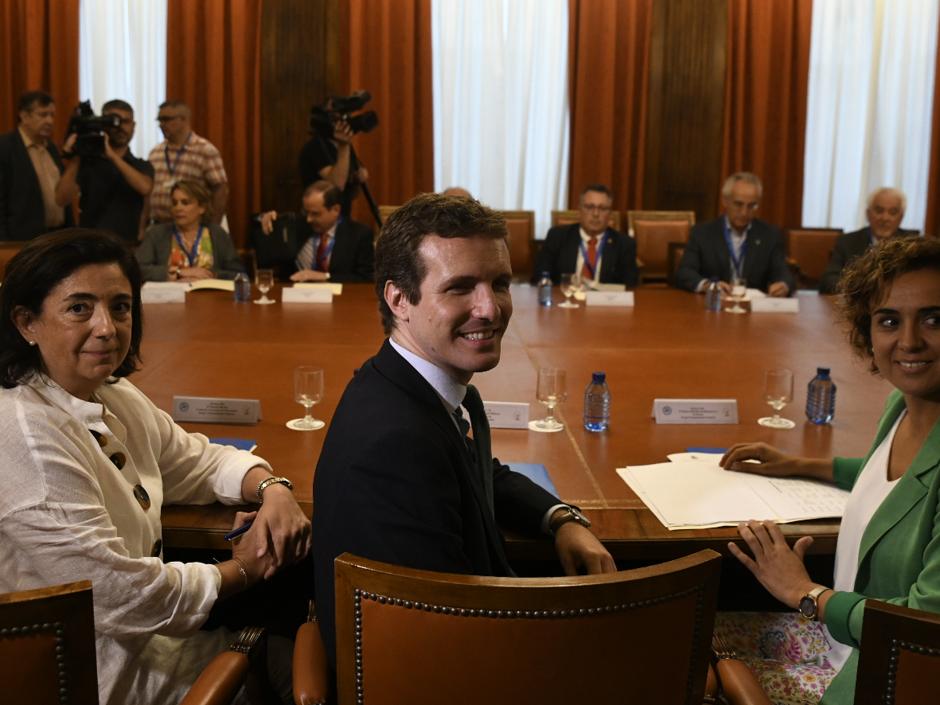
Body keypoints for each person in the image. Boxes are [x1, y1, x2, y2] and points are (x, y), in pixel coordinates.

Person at [0, 229, 311, 705]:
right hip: (92, 676)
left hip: (143, 642)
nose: (107, 327)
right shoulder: (23, 435)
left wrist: (272, 488)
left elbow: (198, 460)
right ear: (26, 322)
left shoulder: (110, 394)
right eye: (79, 308)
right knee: (296, 663)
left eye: (120, 307)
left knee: (292, 647)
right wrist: (246, 568)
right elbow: (130, 595)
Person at [312, 193, 616, 675]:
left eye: (499, 283)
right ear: (399, 299)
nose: (490, 309)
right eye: (460, 288)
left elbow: (476, 468)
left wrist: (559, 518)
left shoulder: (402, 384)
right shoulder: (394, 445)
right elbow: (447, 643)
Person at [716, 236, 940, 704]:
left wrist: (804, 591)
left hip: (878, 675)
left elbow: (925, 630)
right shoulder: (903, 406)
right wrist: (796, 464)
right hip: (841, 641)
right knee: (697, 627)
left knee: (692, 653)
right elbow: (893, 481)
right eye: (889, 321)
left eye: (934, 319)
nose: (909, 340)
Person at [675, 172, 793, 296]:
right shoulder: (702, 233)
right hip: (714, 306)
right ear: (725, 201)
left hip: (752, 309)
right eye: (738, 204)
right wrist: (709, 286)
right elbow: (684, 273)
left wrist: (783, 284)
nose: (744, 212)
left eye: (752, 206)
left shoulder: (769, 235)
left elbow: (783, 273)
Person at [55, 99, 154, 244]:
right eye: (113, 121)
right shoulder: (88, 162)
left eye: (126, 122)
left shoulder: (141, 165)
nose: (120, 127)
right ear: (102, 124)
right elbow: (61, 199)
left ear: (133, 126)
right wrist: (77, 155)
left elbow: (145, 187)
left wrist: (112, 156)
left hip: (127, 244)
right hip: (90, 244)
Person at [253, 180, 374, 283]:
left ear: (335, 210)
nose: (309, 219)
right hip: (298, 298)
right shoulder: (299, 225)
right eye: (306, 212)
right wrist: (264, 217)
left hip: (342, 301)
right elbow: (262, 221)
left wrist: (325, 277)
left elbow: (366, 278)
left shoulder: (359, 235)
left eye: (315, 214)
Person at [531, 183, 639, 288]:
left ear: (610, 213)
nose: (596, 214)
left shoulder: (625, 244)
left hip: (604, 304)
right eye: (589, 207)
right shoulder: (557, 236)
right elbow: (540, 276)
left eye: (602, 208)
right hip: (565, 301)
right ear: (579, 210)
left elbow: (630, 286)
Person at [818, 187, 919, 295]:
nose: (885, 218)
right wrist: (863, 291)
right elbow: (829, 281)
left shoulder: (912, 244)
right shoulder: (847, 242)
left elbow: (920, 282)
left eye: (893, 212)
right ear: (868, 214)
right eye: (879, 211)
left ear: (901, 217)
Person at [137, 179, 243, 281]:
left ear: (202, 208)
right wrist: (179, 272)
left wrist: (211, 274)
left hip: (210, 297)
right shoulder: (157, 233)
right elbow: (138, 269)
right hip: (170, 297)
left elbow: (238, 273)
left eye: (185, 202)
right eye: (174, 203)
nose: (178, 208)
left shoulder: (217, 233)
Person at [0, 90, 71, 240]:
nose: (50, 121)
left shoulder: (51, 148)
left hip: (56, 237)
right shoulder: (5, 148)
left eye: (52, 115)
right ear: (24, 116)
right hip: (20, 241)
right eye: (43, 115)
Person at [148, 100, 228, 225]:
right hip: (160, 226)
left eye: (167, 119)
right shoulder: (155, 153)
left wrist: (213, 226)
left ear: (184, 120)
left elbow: (220, 190)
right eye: (160, 120)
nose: (162, 125)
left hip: (193, 227)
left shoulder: (204, 150)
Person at [298, 111, 369, 218]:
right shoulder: (315, 147)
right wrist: (344, 145)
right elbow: (336, 185)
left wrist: (357, 177)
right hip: (319, 215)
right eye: (337, 121)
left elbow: (357, 179)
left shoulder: (342, 146)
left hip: (341, 214)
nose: (344, 126)